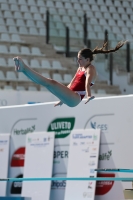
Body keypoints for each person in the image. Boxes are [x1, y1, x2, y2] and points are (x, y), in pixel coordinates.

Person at [13, 41, 126, 107]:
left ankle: (24, 67)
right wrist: (62, 100)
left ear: (87, 59)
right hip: (70, 95)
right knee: (47, 84)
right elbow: (71, 84)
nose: (78, 61)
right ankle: (23, 70)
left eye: (80, 59)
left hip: (75, 98)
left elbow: (87, 84)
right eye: (77, 59)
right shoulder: (80, 68)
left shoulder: (90, 68)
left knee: (51, 82)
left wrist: (89, 95)